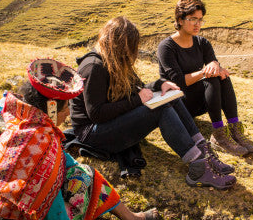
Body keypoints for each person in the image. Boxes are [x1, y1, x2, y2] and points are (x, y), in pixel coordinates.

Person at [0, 58, 160, 220]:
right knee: (84, 177)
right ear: (51, 108)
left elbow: (62, 161)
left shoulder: (21, 123)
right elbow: (48, 203)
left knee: (79, 170)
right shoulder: (42, 141)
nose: (68, 113)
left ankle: (130, 219)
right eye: (66, 107)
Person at [69, 16, 236, 190]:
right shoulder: (94, 67)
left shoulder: (115, 61)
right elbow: (96, 113)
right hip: (92, 134)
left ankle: (204, 152)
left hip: (108, 123)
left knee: (171, 96)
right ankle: (198, 167)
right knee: (159, 109)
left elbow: (138, 87)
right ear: (120, 46)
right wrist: (136, 101)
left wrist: (160, 84)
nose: (132, 53)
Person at [157, 0, 253, 157]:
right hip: (178, 104)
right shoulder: (166, 47)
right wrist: (205, 71)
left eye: (200, 20)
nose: (198, 24)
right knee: (210, 78)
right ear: (180, 20)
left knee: (222, 77)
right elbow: (178, 82)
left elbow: (213, 64)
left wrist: (216, 65)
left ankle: (234, 129)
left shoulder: (202, 43)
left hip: (201, 99)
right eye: (193, 19)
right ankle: (218, 135)